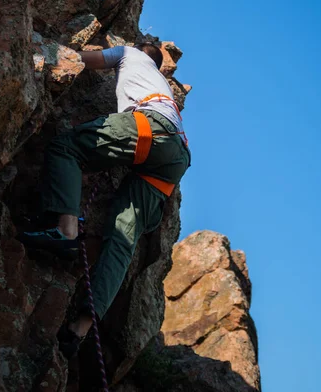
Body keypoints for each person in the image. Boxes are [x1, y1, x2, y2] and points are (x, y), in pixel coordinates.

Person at [18, 43, 191, 358]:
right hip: (175, 156)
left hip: (149, 128)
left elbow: (77, 60)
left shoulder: (129, 54)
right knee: (122, 240)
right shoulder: (162, 84)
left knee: (67, 147)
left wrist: (37, 54)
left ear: (140, 50)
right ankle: (80, 330)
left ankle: (66, 231)